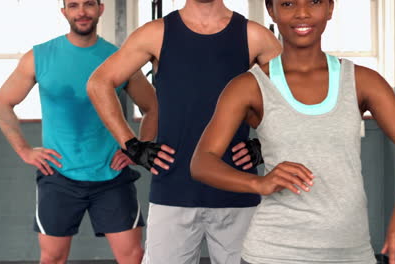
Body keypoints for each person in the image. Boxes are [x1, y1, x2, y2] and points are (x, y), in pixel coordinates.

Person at [190, 0, 395, 263]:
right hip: (273, 253)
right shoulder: (249, 86)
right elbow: (202, 162)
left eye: (314, 2)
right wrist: (258, 183)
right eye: (288, 3)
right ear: (272, 10)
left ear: (329, 8)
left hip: (350, 253)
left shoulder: (363, 81)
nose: (302, 13)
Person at [86, 0, 282, 263]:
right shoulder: (155, 33)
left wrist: (264, 148)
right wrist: (133, 146)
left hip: (237, 190)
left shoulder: (255, 36)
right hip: (173, 191)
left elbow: (295, 100)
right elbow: (99, 83)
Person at [0, 0, 157, 263]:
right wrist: (24, 150)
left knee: (133, 257)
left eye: (89, 4)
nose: (82, 12)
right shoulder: (40, 56)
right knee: (53, 258)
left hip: (111, 176)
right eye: (74, 5)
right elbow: (2, 104)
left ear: (101, 9)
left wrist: (138, 149)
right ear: (64, 12)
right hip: (58, 177)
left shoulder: (119, 58)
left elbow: (152, 106)